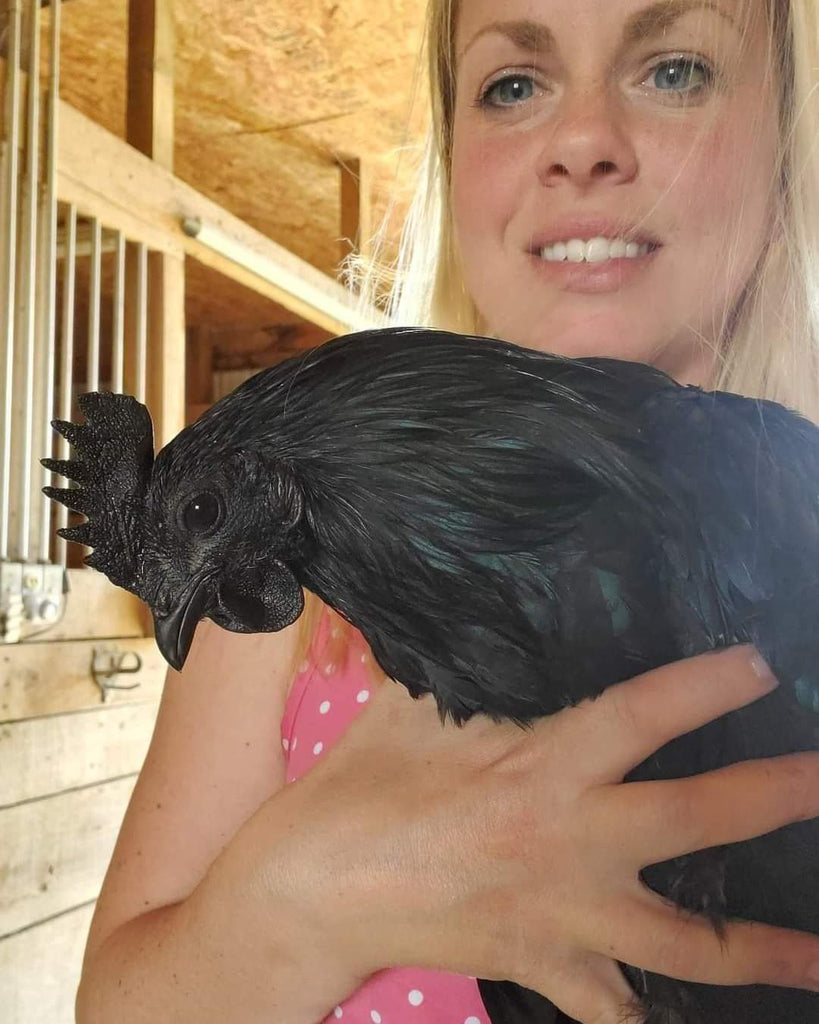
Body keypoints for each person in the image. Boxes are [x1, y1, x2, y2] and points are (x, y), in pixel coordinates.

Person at [75, 1, 819, 1022]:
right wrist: (312, 890)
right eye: (513, 85)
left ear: (790, 124)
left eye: (675, 69)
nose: (584, 143)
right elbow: (115, 1002)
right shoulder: (295, 615)